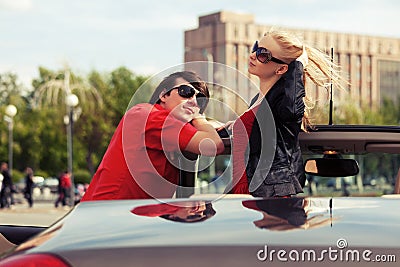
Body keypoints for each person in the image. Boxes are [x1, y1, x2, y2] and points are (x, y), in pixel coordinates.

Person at [223, 30, 347, 198]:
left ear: (281, 68)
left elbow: (291, 110)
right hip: (246, 190)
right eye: (256, 48)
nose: (253, 55)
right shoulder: (258, 100)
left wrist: (297, 67)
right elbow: (259, 133)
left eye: (262, 54)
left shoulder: (284, 102)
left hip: (270, 194)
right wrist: (236, 126)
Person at [81, 71, 224, 201]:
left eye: (200, 100)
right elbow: (214, 145)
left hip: (130, 219)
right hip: (108, 218)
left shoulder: (171, 129)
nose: (193, 101)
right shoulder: (149, 115)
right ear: (163, 95)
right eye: (186, 91)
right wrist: (200, 119)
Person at [131, 200, 216, 223]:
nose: (200, 211)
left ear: (172, 216)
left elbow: (135, 210)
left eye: (193, 216)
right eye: (204, 211)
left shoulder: (153, 211)